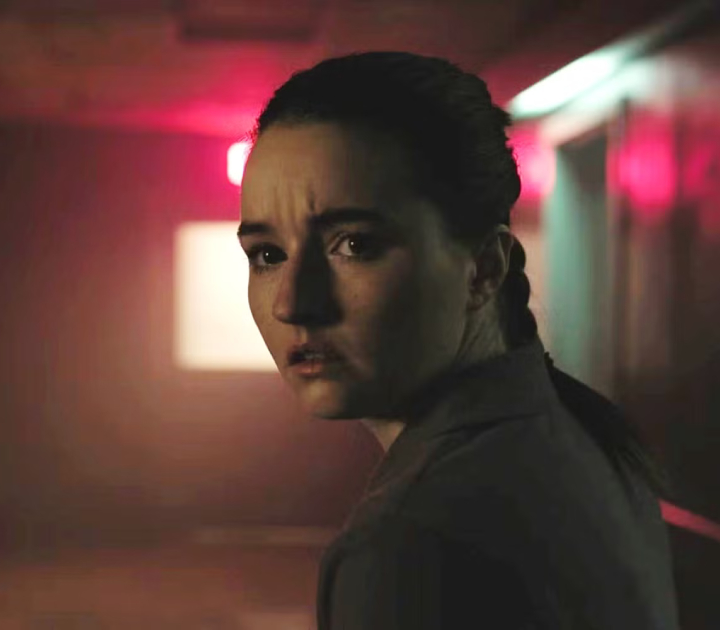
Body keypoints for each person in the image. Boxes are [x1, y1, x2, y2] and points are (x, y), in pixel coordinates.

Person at [236, 52, 680, 629]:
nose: (292, 303)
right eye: (267, 254)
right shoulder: (582, 437)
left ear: (484, 268)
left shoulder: (409, 541)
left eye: (355, 245)